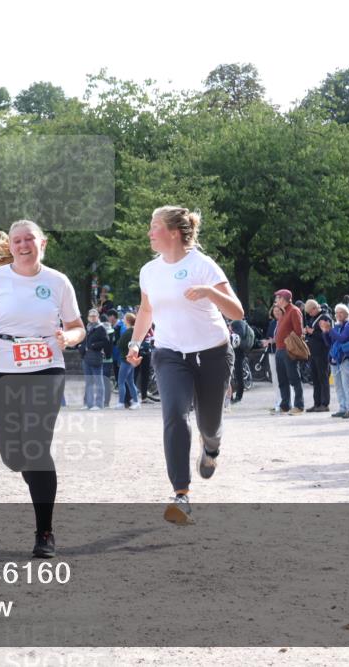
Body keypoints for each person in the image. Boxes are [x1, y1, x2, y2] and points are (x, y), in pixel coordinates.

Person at [0, 220, 84, 558]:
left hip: (46, 366)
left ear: (42, 243)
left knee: (37, 448)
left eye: (30, 239)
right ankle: (35, 474)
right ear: (10, 246)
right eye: (17, 240)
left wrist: (68, 337)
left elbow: (77, 327)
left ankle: (45, 532)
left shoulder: (58, 282)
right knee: (15, 457)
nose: (24, 245)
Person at [126, 206, 243, 525]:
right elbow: (146, 310)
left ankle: (211, 448)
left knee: (209, 425)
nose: (149, 232)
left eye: (154, 226)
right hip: (169, 354)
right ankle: (181, 494)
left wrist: (208, 291)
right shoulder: (149, 271)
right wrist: (135, 343)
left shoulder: (202, 265)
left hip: (213, 353)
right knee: (175, 415)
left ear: (174, 233)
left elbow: (236, 312)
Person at [272, 290, 305, 415]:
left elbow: (298, 332)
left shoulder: (294, 311)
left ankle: (299, 406)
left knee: (294, 378)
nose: (276, 300)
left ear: (283, 299)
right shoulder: (284, 311)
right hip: (279, 349)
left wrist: (289, 345)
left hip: (288, 349)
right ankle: (285, 405)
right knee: (282, 379)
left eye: (278, 298)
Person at [324, 304, 349, 417]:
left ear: (347, 313)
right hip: (335, 359)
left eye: (341, 312)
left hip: (346, 358)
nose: (338, 315)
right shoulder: (337, 326)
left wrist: (330, 330)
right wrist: (325, 332)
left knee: (346, 384)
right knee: (338, 385)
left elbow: (343, 338)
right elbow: (329, 343)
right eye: (336, 313)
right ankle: (342, 408)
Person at [303, 300, 333, 412]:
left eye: (310, 312)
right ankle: (317, 403)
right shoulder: (313, 318)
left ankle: (325, 404)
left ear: (315, 308)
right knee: (315, 379)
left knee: (323, 378)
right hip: (313, 352)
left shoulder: (325, 317)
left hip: (322, 352)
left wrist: (312, 332)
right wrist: (307, 332)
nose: (310, 314)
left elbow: (327, 335)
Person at [79, 309, 108, 410]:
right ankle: (88, 404)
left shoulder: (101, 328)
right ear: (88, 317)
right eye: (91, 316)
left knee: (98, 381)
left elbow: (106, 342)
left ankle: (99, 404)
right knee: (88, 382)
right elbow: (83, 342)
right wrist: (81, 348)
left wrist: (93, 345)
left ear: (98, 317)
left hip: (96, 356)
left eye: (94, 316)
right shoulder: (87, 328)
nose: (93, 317)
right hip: (86, 357)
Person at [116, 312, 141, 410]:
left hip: (126, 359)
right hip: (131, 359)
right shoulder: (134, 332)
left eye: (124, 319)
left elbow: (119, 344)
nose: (123, 320)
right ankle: (136, 401)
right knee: (130, 382)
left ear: (127, 321)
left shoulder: (128, 332)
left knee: (121, 382)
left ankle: (121, 403)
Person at [262, 305, 283, 413]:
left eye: (278, 310)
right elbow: (269, 336)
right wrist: (266, 341)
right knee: (274, 378)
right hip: (272, 352)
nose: (276, 312)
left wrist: (273, 340)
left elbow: (283, 336)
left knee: (282, 377)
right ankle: (278, 400)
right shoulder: (272, 323)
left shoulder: (283, 322)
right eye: (275, 311)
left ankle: (285, 401)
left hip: (281, 351)